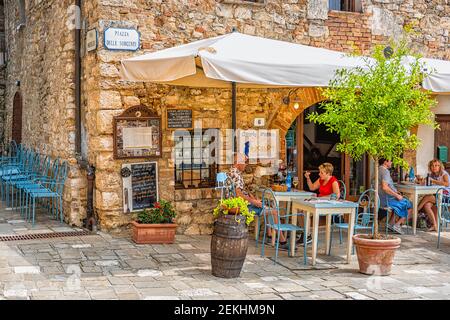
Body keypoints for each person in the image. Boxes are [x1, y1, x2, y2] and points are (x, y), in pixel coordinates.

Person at [227, 153, 289, 246]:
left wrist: (251, 197)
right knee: (274, 211)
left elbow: (240, 191)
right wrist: (254, 201)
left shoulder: (232, 171)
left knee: (268, 204)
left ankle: (270, 235)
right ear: (238, 162)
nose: (246, 164)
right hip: (242, 206)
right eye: (245, 162)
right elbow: (238, 195)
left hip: (239, 203)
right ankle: (282, 241)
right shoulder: (236, 174)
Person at [378, 158, 412, 234]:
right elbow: (385, 187)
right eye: (390, 160)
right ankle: (397, 224)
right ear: (385, 162)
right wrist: (397, 195)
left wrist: (396, 193)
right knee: (409, 205)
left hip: (380, 199)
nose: (392, 162)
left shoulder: (378, 169)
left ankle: (390, 224)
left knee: (400, 202)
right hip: (387, 200)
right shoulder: (385, 171)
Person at [417, 159, 450, 232]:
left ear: (440, 167)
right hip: (436, 196)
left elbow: (447, 184)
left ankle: (417, 209)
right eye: (432, 166)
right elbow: (425, 182)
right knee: (426, 205)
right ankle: (434, 225)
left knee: (428, 197)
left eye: (436, 165)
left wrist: (433, 181)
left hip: (446, 197)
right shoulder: (432, 174)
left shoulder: (444, 174)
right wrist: (421, 181)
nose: (434, 167)